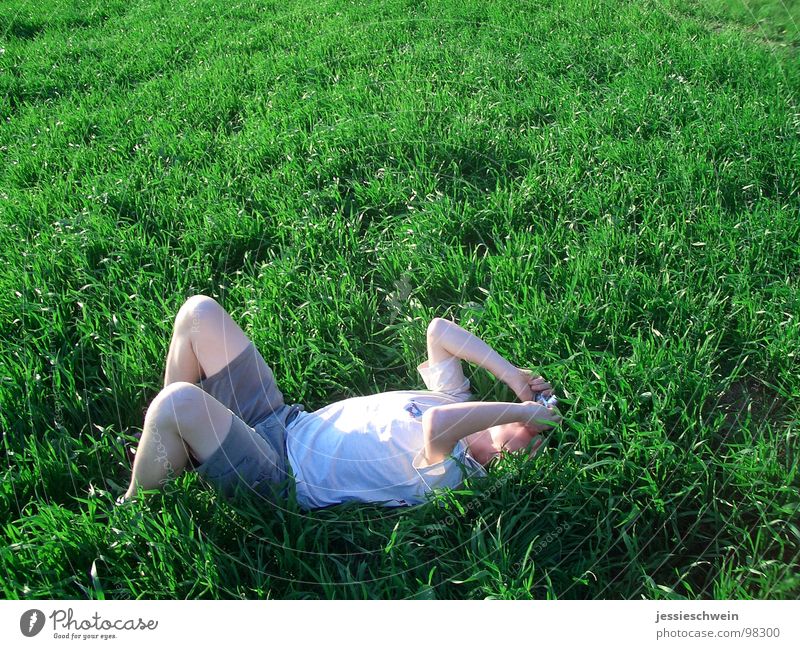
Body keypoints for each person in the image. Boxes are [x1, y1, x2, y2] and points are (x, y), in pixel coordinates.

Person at [120, 295, 563, 509]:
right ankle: (169, 449)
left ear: (505, 463)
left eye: (537, 442)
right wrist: (514, 377)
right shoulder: (451, 397)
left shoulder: (454, 476)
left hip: (278, 473)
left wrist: (523, 411)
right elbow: (438, 332)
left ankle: (136, 508)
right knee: (199, 314)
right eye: (539, 427)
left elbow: (437, 429)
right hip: (284, 421)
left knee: (179, 402)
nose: (535, 432)